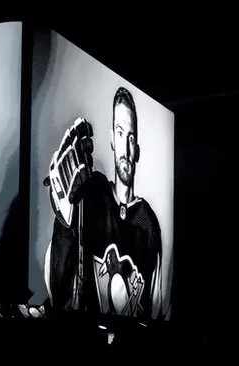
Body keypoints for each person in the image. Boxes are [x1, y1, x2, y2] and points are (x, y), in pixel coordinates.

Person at [44, 87, 163, 318]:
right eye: (120, 133)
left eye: (131, 137)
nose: (126, 149)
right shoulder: (93, 194)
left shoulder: (147, 222)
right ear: (111, 139)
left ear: (137, 148)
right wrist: (63, 223)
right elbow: (56, 290)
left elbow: (156, 307)